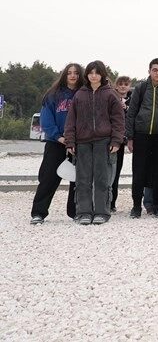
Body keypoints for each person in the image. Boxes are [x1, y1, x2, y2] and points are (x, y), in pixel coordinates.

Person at [64, 60, 124, 225]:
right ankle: (83, 211)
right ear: (87, 75)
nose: (94, 75)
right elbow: (71, 121)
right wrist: (70, 142)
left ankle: (101, 212)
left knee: (101, 178)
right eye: (91, 72)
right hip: (82, 142)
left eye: (97, 72)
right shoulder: (80, 94)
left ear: (102, 74)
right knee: (83, 179)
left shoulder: (110, 94)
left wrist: (116, 141)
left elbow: (118, 120)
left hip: (103, 142)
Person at [30, 63, 83, 224]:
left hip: (78, 144)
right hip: (56, 143)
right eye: (69, 73)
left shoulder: (84, 94)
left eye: (76, 73)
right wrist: (59, 137)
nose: (72, 76)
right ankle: (38, 212)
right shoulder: (53, 94)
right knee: (48, 178)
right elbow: (46, 120)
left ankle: (75, 212)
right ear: (64, 75)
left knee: (78, 179)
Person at [125, 58, 158, 218]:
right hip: (142, 135)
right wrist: (130, 137)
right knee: (139, 171)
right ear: (149, 71)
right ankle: (136, 207)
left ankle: (157, 205)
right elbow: (131, 113)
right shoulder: (140, 88)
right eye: (155, 69)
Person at [111, 75, 131, 212]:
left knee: (116, 172)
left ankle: (112, 203)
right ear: (116, 86)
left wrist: (127, 108)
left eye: (126, 84)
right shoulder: (110, 97)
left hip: (123, 141)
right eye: (120, 84)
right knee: (108, 172)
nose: (123, 86)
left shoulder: (133, 100)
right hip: (110, 139)